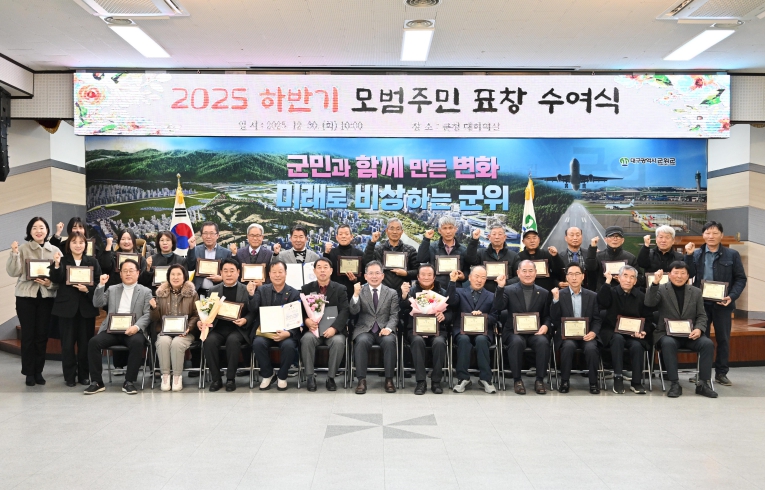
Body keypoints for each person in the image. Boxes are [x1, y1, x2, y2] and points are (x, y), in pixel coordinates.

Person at [644, 262, 717, 398]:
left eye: (683, 273)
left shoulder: (696, 292)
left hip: (690, 335)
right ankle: (674, 384)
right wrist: (654, 283)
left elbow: (702, 315)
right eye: (676, 273)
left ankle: (703, 384)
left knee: (707, 344)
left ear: (688, 276)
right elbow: (649, 302)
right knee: (668, 343)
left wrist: (699, 329)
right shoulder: (661, 289)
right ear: (669, 275)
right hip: (667, 334)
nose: (679, 276)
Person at [84, 259, 152, 395]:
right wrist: (101, 285)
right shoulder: (112, 289)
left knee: (137, 342)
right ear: (120, 274)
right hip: (112, 330)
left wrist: (136, 327)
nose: (128, 274)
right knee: (93, 342)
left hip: (133, 330)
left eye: (131, 270)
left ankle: (129, 382)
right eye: (124, 271)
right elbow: (97, 303)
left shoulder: (145, 291)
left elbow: (148, 314)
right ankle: (97, 382)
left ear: (138, 273)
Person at [691, 221, 747, 387]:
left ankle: (721, 373)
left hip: (723, 304)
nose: (711, 236)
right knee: (702, 339)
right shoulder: (696, 254)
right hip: (701, 304)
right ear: (703, 235)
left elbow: (740, 278)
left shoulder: (732, 254)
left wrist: (731, 296)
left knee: (723, 339)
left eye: (715, 233)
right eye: (708, 233)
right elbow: (689, 275)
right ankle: (702, 374)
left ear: (721, 235)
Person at [6, 217, 61, 386]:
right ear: (30, 231)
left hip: (46, 298)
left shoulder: (55, 250)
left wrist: (50, 284)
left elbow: (61, 277)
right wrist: (14, 254)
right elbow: (13, 272)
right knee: (28, 336)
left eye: (42, 227)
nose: (38, 231)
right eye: (35, 228)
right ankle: (29, 372)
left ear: (47, 230)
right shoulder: (23, 248)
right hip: (25, 297)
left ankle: (39, 371)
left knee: (42, 336)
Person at [49, 232, 102, 387]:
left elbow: (98, 284)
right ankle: (69, 376)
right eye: (74, 242)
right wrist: (56, 264)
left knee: (85, 344)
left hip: (86, 309)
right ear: (69, 245)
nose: (78, 245)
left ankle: (84, 375)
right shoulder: (62, 260)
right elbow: (55, 278)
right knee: (67, 345)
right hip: (66, 309)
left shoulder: (92, 262)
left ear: (85, 245)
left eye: (81, 242)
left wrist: (87, 289)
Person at [493, 260, 551, 395]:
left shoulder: (543, 293)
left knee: (543, 342)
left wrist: (546, 326)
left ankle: (540, 380)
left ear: (536, 273)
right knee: (517, 342)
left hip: (535, 332)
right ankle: (517, 380)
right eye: (524, 271)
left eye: (531, 271)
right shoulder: (508, 290)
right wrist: (500, 287)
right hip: (513, 332)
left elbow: (547, 316)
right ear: (518, 273)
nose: (527, 274)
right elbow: (498, 307)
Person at [596, 265, 653, 394]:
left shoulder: (641, 296)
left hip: (633, 334)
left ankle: (636, 382)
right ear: (619, 278)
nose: (628, 280)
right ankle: (618, 377)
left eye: (632, 277)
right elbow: (601, 302)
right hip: (612, 332)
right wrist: (607, 281)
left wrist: (644, 330)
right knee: (618, 339)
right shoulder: (611, 292)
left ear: (635, 281)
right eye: (625, 276)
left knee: (637, 346)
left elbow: (648, 318)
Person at [201, 258, 255, 392]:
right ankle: (216, 379)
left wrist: (245, 320)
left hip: (238, 329)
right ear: (221, 273)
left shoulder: (245, 289)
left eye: (232, 271)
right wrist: (202, 320)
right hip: (218, 328)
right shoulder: (213, 290)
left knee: (233, 341)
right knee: (209, 341)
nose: (229, 274)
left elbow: (253, 311)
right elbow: (207, 312)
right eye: (225, 271)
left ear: (238, 272)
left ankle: (230, 379)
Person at [399, 264, 451, 395]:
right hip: (415, 330)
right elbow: (402, 310)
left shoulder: (443, 292)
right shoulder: (411, 291)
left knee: (439, 342)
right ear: (418, 277)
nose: (426, 277)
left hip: (437, 329)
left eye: (429, 275)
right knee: (417, 341)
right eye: (423, 275)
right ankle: (421, 381)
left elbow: (451, 312)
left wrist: (444, 316)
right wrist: (404, 296)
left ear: (434, 277)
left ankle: (436, 381)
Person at [551, 263, 602, 394]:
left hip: (587, 334)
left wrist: (593, 332)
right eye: (571, 274)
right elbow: (554, 319)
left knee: (591, 348)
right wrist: (555, 301)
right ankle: (564, 381)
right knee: (568, 346)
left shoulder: (592, 295)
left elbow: (597, 319)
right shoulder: (559, 294)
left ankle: (593, 382)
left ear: (583, 276)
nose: (574, 277)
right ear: (566, 277)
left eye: (577, 274)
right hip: (567, 335)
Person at [250, 260, 301, 391]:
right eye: (274, 272)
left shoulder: (294, 293)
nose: (277, 275)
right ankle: (268, 374)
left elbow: (296, 319)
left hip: (285, 332)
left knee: (289, 346)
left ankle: (282, 376)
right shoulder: (261, 290)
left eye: (280, 272)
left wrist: (288, 333)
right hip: (265, 331)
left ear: (286, 273)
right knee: (258, 343)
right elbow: (253, 309)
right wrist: (251, 294)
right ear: (269, 274)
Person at [349, 261, 399, 394]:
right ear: (365, 276)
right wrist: (355, 295)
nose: (374, 276)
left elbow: (394, 315)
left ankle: (389, 379)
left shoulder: (392, 293)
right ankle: (361, 380)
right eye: (371, 273)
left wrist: (389, 328)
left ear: (383, 276)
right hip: (364, 329)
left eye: (377, 273)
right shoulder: (360, 290)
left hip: (384, 328)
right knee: (361, 341)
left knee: (390, 341)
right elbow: (353, 311)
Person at [300, 258, 350, 392]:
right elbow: (301, 311)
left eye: (325, 267)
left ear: (331, 270)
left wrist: (334, 328)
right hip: (313, 330)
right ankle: (310, 377)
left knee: (338, 342)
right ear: (314, 271)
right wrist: (306, 321)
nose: (322, 270)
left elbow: (345, 310)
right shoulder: (306, 289)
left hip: (333, 331)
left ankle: (331, 377)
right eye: (319, 267)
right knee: (306, 339)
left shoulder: (340, 289)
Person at [449, 265, 499, 394]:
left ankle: (485, 379)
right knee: (464, 340)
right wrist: (452, 282)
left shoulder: (491, 296)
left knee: (481, 340)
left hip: (483, 331)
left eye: (483, 277)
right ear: (470, 277)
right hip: (462, 330)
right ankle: (463, 378)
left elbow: (494, 317)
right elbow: (451, 302)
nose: (479, 280)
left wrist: (483, 316)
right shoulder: (459, 292)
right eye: (476, 276)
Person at [150, 264, 199, 392]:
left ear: (184, 277)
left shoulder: (193, 294)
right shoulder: (160, 293)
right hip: (165, 331)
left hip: (185, 332)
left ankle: (177, 377)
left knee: (177, 343)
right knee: (163, 341)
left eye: (179, 274)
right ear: (168, 276)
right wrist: (154, 308)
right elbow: (155, 318)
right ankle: (165, 376)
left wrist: (189, 327)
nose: (175, 277)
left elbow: (197, 314)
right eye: (172, 274)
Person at [362, 218, 418, 295]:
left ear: (402, 232)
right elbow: (366, 263)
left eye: (398, 229)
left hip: (403, 293)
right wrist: (372, 243)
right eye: (391, 228)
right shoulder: (378, 249)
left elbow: (417, 272)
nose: (395, 232)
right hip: (382, 293)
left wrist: (406, 273)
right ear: (386, 231)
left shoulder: (410, 250)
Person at [417, 216, 468, 290]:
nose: (448, 231)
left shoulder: (463, 249)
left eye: (450, 228)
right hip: (435, 289)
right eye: (444, 228)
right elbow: (421, 259)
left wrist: (464, 277)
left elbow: (467, 270)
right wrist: (426, 239)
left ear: (455, 229)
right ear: (439, 230)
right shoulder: (432, 247)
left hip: (456, 289)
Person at [465, 224, 520, 293]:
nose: (497, 237)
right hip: (484, 294)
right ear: (489, 237)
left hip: (506, 293)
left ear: (505, 237)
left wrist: (506, 282)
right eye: (494, 234)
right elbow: (470, 259)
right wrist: (474, 240)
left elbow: (519, 276)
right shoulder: (481, 253)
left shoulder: (513, 256)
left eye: (500, 234)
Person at [584, 226, 642, 290]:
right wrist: (592, 248)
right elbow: (590, 268)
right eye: (611, 236)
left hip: (624, 294)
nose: (615, 239)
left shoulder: (630, 258)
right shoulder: (598, 256)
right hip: (603, 293)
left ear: (623, 240)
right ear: (605, 239)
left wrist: (624, 280)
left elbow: (640, 279)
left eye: (618, 236)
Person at [189, 221, 231, 299]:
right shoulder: (195, 250)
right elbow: (190, 267)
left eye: (212, 233)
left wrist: (222, 278)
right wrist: (191, 249)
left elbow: (230, 272)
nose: (208, 236)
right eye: (205, 233)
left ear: (217, 235)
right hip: (198, 292)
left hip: (219, 293)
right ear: (202, 235)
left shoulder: (226, 253)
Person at [323, 224, 364, 300]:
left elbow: (365, 276)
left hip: (353, 294)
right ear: (336, 237)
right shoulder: (330, 253)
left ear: (351, 236)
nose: (343, 236)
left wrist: (356, 280)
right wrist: (326, 254)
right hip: (334, 294)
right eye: (341, 234)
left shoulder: (359, 254)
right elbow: (324, 272)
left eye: (346, 234)